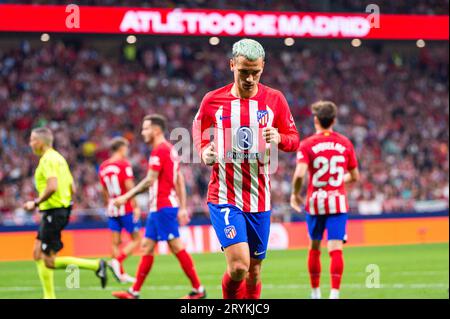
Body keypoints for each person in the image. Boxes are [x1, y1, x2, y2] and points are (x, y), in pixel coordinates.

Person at [192, 38, 300, 299]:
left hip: (259, 198)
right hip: (225, 196)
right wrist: (203, 149)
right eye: (244, 72)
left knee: (254, 272)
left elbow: (294, 139)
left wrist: (280, 139)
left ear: (263, 67)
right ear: (232, 65)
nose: (250, 78)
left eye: (256, 72)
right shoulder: (213, 100)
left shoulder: (275, 99)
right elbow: (198, 126)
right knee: (239, 266)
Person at [111, 114, 206, 299]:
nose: (142, 132)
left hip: (163, 207)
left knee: (176, 246)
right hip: (159, 208)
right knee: (146, 246)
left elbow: (149, 180)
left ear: (156, 130)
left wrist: (126, 197)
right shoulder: (170, 150)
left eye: (145, 128)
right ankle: (134, 291)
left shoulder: (160, 150)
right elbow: (179, 180)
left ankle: (198, 290)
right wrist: (183, 206)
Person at [23, 127, 107, 299]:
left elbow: (52, 186)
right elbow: (72, 187)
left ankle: (96, 265)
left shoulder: (48, 160)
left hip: (54, 211)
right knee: (37, 252)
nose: (30, 143)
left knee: (49, 261)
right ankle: (49, 296)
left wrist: (36, 202)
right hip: (58, 210)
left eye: (32, 140)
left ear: (40, 142)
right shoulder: (60, 159)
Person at [290, 101, 360, 299]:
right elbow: (355, 176)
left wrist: (295, 194)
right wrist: (337, 180)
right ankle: (335, 294)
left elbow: (299, 175)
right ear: (334, 120)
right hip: (337, 202)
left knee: (314, 247)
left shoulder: (308, 144)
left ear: (315, 120)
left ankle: (315, 292)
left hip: (315, 202)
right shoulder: (345, 143)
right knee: (335, 248)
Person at [98, 137, 142, 284]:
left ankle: (121, 274)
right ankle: (117, 262)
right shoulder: (124, 164)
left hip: (112, 206)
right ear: (121, 148)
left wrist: (107, 205)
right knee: (137, 239)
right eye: (126, 148)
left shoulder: (103, 166)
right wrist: (135, 206)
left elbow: (104, 190)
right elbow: (129, 186)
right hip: (126, 205)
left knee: (115, 242)